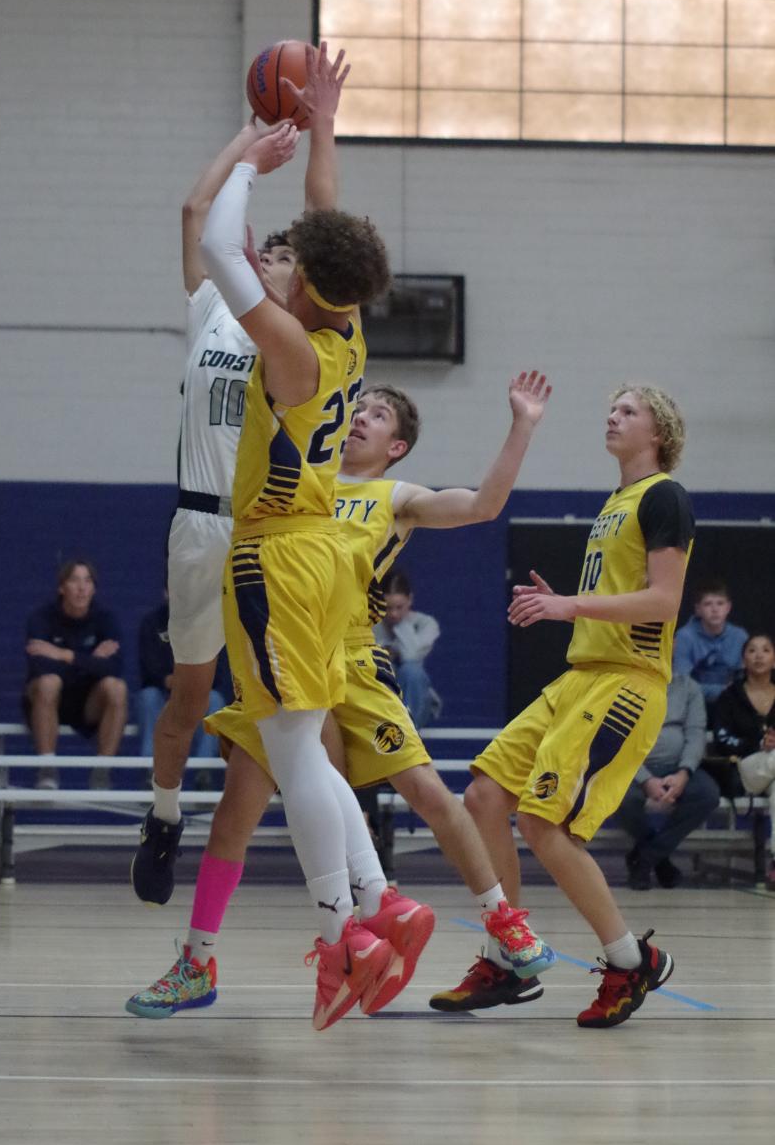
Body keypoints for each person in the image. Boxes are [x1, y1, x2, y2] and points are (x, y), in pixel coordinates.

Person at [125, 372, 558, 1023]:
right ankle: (199, 960)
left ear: (397, 447)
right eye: (358, 407)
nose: (360, 417)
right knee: (234, 813)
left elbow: (481, 505)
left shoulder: (395, 495)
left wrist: (522, 425)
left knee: (427, 790)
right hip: (280, 644)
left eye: (378, 415)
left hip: (350, 654)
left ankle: (502, 921)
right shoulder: (303, 483)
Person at [131, 43, 347, 907]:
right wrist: (252, 136)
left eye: (291, 255)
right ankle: (162, 814)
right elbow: (194, 208)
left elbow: (325, 226)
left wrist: (312, 140)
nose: (277, 256)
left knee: (283, 715)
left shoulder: (302, 338)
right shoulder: (213, 306)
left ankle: (343, 871)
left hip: (270, 534)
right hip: (200, 523)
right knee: (187, 698)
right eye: (272, 248)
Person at [435, 385, 694, 1029]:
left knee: (543, 822)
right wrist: (571, 605)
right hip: (580, 677)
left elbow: (664, 601)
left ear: (658, 432)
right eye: (611, 407)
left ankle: (630, 960)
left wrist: (568, 605)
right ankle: (507, 957)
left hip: (625, 686)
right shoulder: (616, 502)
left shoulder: (664, 496)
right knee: (484, 796)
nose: (612, 415)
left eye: (628, 410)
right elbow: (619, 598)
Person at [610, 671, 719, 890]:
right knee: (621, 799)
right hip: (631, 768)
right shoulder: (621, 685)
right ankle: (660, 862)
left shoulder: (689, 687)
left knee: (707, 794)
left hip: (678, 766)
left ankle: (645, 858)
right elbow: (617, 737)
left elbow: (696, 734)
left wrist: (684, 772)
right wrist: (645, 779)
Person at [24, 559, 127, 789]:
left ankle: (101, 772)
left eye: (88, 581)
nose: (82, 588)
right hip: (48, 701)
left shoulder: (105, 619)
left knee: (117, 687)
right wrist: (91, 660)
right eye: (74, 580)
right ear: (62, 588)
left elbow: (115, 668)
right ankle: (47, 769)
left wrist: (64, 655)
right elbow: (39, 666)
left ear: (94, 589)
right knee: (49, 682)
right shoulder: (41, 618)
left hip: (89, 702)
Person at [706, 632, 775, 891]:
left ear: (774, 659)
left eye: (765, 650)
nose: (759, 656)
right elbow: (722, 738)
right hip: (744, 768)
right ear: (743, 659)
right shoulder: (730, 696)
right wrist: (757, 745)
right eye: (752, 650)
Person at [135, 590, 224, 771]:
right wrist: (173, 680)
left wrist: (190, 681)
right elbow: (149, 669)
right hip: (163, 694)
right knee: (148, 696)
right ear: (166, 593)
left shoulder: (208, 625)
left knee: (215, 699)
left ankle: (203, 770)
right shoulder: (151, 622)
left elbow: (218, 671)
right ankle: (152, 770)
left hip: (196, 695)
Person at [374, 571, 440, 727]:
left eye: (399, 607)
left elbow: (411, 656)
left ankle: (408, 734)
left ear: (410, 600)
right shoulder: (370, 626)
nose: (393, 614)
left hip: (415, 699)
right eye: (388, 607)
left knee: (412, 671)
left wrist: (401, 625)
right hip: (381, 696)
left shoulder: (426, 624)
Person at [672, 580, 748, 709]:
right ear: (698, 609)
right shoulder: (684, 637)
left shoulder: (740, 636)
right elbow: (682, 683)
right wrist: (725, 691)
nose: (715, 609)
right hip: (692, 703)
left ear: (728, 607)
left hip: (733, 704)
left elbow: (746, 678)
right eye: (708, 604)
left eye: (720, 603)